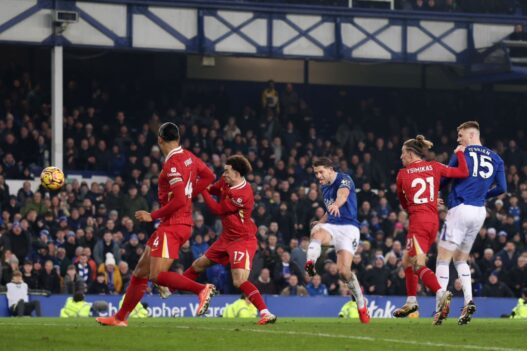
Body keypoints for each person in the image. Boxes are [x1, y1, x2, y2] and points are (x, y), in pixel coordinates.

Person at [96, 122, 216, 327]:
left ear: (160, 139)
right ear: (177, 138)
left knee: (158, 276)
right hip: (176, 223)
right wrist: (190, 194)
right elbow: (209, 176)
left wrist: (153, 215)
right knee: (140, 273)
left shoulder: (172, 164)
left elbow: (178, 200)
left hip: (173, 224)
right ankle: (120, 318)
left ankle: (201, 289)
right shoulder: (188, 157)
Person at [182, 155, 277, 325]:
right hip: (226, 238)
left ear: (237, 173)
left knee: (239, 280)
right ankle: (169, 288)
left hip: (242, 239)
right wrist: (199, 182)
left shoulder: (242, 194)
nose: (223, 173)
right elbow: (213, 189)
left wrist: (202, 189)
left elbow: (217, 209)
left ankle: (265, 312)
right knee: (198, 265)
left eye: (227, 171)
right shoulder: (227, 181)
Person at [392, 135, 468, 326]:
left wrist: (415, 207)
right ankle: (411, 301)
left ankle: (442, 294)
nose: (401, 157)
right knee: (406, 262)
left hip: (418, 222)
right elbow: (462, 172)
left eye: (402, 154)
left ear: (410, 154)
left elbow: (403, 203)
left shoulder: (402, 174)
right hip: (433, 221)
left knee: (417, 265)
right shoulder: (434, 166)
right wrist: (459, 154)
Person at [436, 121, 506, 325]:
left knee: (442, 258)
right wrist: (485, 194)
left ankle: (440, 306)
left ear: (472, 135)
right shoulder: (497, 158)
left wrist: (435, 192)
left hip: (460, 208)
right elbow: (502, 187)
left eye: (461, 135)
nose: (458, 139)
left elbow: (447, 177)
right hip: (479, 211)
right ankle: (468, 301)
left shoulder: (462, 152)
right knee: (460, 258)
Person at [304, 157, 370, 324]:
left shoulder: (344, 178)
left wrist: (337, 204)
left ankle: (361, 306)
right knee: (316, 232)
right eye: (316, 173)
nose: (318, 176)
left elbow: (343, 194)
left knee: (343, 272)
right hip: (333, 227)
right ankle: (310, 263)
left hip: (349, 228)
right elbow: (329, 210)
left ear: (330, 169)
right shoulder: (324, 187)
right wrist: (321, 222)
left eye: (321, 172)